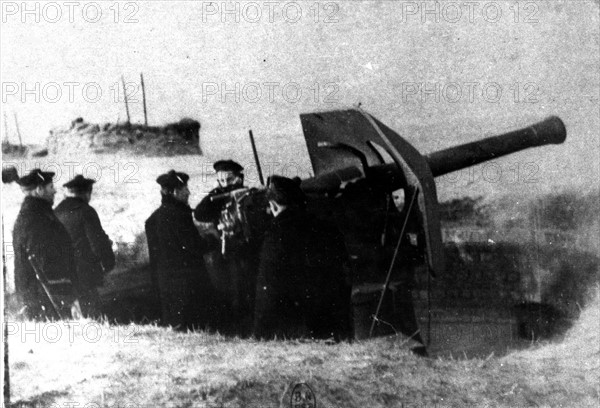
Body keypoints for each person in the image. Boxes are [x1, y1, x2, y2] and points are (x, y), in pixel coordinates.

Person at [253, 175, 352, 340]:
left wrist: (259, 332)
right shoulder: (325, 226)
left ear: (273, 205)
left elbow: (268, 287)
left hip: (296, 326)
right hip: (331, 318)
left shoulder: (275, 235)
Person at [145, 170, 216, 330]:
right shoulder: (179, 215)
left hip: (166, 285)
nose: (189, 192)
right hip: (188, 285)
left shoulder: (153, 218)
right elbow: (195, 246)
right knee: (196, 328)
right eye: (185, 189)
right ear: (175, 191)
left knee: (176, 328)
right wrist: (213, 237)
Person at [193, 160, 258, 332]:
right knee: (231, 289)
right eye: (221, 181)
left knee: (248, 287)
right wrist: (215, 194)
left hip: (247, 249)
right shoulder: (217, 198)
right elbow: (200, 214)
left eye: (228, 180)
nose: (225, 185)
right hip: (226, 250)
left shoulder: (248, 196)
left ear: (239, 178)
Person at [13, 169, 78, 320]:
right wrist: (65, 296)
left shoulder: (36, 214)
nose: (55, 191)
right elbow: (45, 262)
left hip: (42, 295)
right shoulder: (35, 219)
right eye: (50, 187)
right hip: (45, 297)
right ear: (39, 190)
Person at [55, 175, 115, 318]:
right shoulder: (86, 211)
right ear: (87, 193)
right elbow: (98, 243)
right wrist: (108, 264)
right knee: (92, 314)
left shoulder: (56, 211)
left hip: (62, 275)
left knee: (75, 315)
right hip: (84, 274)